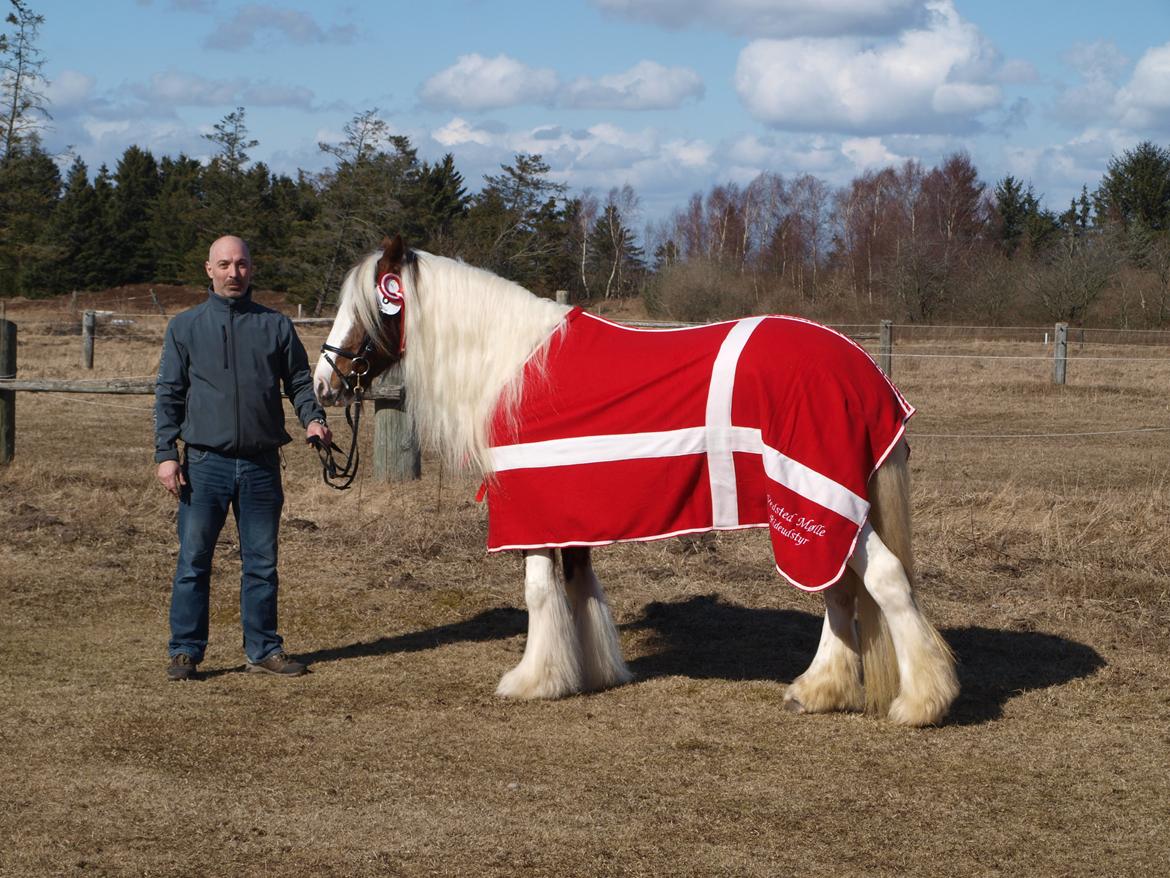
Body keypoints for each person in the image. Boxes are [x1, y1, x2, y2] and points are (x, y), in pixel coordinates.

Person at [154, 235, 331, 681]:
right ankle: (185, 651)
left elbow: (299, 381)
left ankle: (264, 649)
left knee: (261, 564)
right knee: (194, 561)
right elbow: (170, 393)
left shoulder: (276, 325)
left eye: (242, 264)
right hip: (203, 466)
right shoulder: (185, 327)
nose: (234, 273)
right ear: (209, 269)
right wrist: (166, 453)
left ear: (251, 269)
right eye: (225, 264)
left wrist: (313, 419)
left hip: (260, 465)